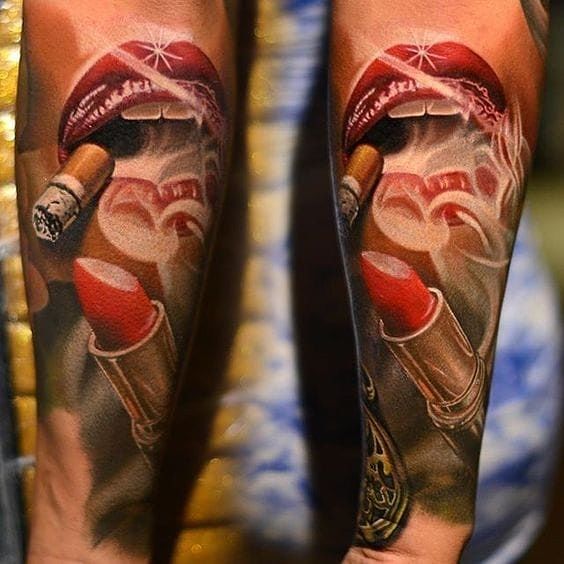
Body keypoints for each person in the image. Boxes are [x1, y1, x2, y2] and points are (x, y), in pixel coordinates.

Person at [15, 0, 560, 562]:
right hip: (457, 455)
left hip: (351, 458)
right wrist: (408, 548)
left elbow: (146, 13)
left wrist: (84, 533)